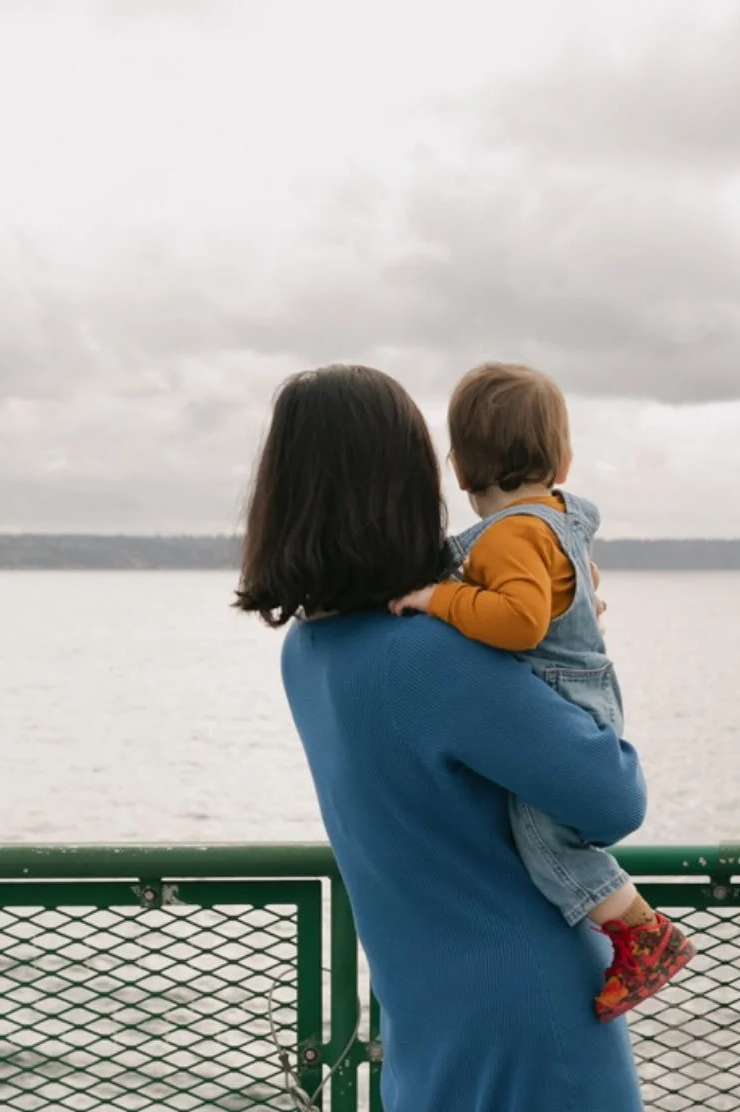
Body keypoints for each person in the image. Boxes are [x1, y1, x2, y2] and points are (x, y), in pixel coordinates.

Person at [236, 365, 647, 1112]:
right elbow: (611, 797)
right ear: (407, 484)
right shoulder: (429, 657)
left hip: (419, 1023)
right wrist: (575, 637)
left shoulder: (307, 653)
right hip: (528, 1025)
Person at [389, 362, 694, 1019]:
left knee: (544, 837)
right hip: (588, 687)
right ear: (564, 458)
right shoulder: (559, 519)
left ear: (462, 468)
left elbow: (519, 622)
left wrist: (440, 598)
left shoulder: (507, 537)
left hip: (561, 691)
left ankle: (643, 932)